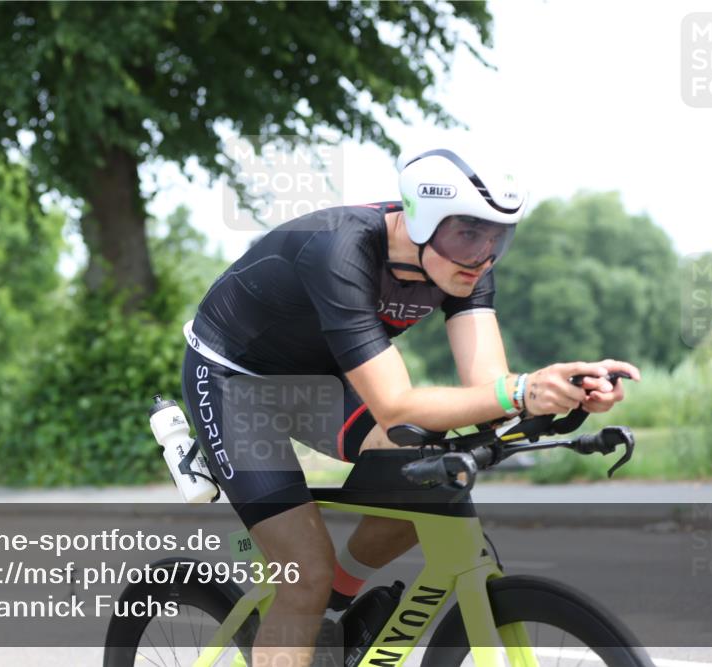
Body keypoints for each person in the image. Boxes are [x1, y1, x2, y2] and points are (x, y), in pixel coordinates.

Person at [179, 146, 642, 664]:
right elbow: (397, 406)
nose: (483, 254)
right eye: (468, 232)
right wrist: (520, 391)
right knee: (302, 574)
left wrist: (560, 391)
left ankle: (334, 602)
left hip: (323, 379)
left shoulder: (464, 266)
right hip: (235, 382)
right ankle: (315, 595)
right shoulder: (341, 249)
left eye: (497, 236)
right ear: (422, 219)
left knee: (430, 471)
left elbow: (489, 388)